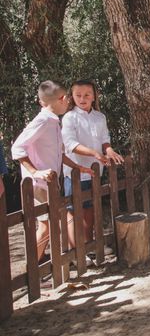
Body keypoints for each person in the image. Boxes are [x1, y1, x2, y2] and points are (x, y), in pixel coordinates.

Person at [11, 81, 93, 262]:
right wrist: (35, 172)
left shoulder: (53, 121)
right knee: (51, 224)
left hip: (50, 182)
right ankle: (34, 266)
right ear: (63, 99)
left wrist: (77, 167)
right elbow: (17, 148)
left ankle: (68, 258)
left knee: (52, 223)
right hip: (39, 184)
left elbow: (59, 153)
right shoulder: (42, 121)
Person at [62, 79, 124, 250]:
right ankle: (75, 252)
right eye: (78, 95)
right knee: (75, 213)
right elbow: (70, 144)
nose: (83, 98)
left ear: (95, 96)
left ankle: (88, 246)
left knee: (90, 211)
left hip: (95, 170)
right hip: (76, 172)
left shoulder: (100, 117)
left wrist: (109, 150)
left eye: (87, 95)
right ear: (72, 97)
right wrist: (94, 153)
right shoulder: (69, 118)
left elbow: (105, 140)